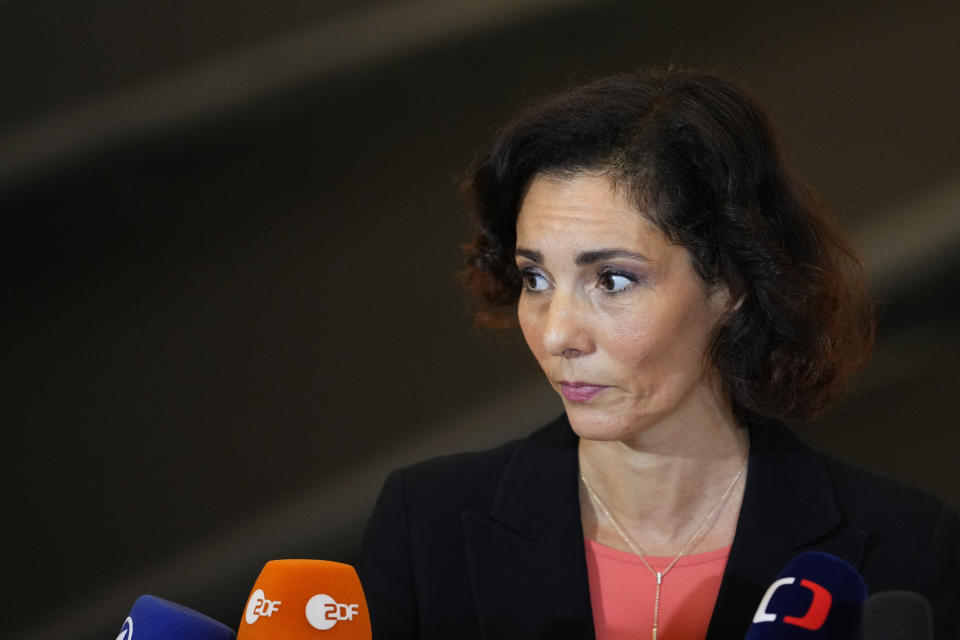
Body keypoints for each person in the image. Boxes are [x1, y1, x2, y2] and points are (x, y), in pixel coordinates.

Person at [358, 70, 960, 639]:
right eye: (535, 280)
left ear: (730, 285)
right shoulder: (425, 524)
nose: (556, 333)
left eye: (613, 280)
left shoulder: (906, 548)